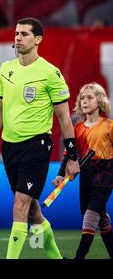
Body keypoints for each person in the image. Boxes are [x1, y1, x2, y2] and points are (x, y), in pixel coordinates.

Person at [0, 17, 80, 259]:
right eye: (16, 34)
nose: (18, 38)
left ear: (38, 39)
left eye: (24, 34)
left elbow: (65, 119)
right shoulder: (5, 69)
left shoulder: (50, 73)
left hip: (37, 145)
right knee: (32, 210)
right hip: (9, 147)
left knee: (20, 204)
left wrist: (72, 157)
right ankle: (56, 257)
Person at [53, 83, 113, 259]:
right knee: (102, 220)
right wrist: (60, 174)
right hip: (87, 174)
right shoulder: (77, 128)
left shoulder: (109, 126)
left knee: (91, 215)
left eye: (90, 97)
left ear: (100, 100)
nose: (85, 101)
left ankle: (78, 258)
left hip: (106, 173)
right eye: (82, 98)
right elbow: (69, 155)